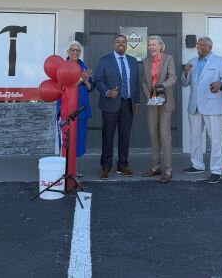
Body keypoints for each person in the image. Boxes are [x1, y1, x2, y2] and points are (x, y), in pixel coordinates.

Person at [181, 36, 222, 184]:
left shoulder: (220, 61)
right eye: (198, 46)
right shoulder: (192, 62)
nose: (199, 48)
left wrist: (220, 83)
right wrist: (185, 72)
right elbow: (184, 83)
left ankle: (216, 170)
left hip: (213, 105)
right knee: (195, 137)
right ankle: (197, 165)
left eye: (202, 46)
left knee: (215, 139)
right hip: (194, 106)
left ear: (210, 47)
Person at [94, 34, 140, 180]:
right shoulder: (104, 60)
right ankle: (105, 166)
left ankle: (122, 165)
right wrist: (107, 92)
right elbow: (98, 79)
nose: (121, 44)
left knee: (125, 136)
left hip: (128, 104)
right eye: (118, 42)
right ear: (114, 44)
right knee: (108, 136)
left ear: (127, 44)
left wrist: (136, 101)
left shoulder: (132, 61)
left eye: (123, 42)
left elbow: (136, 83)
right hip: (110, 104)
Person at [140, 36, 177, 184]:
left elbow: (173, 78)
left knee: (164, 134)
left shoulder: (169, 58)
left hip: (165, 101)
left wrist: (162, 86)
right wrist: (147, 92)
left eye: (154, 45)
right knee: (153, 134)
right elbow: (143, 80)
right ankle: (156, 167)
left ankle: (168, 169)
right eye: (149, 45)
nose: (151, 47)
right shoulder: (146, 61)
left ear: (161, 46)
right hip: (152, 101)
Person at [56, 41, 94, 163]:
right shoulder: (62, 66)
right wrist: (81, 79)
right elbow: (63, 86)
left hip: (81, 111)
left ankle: (75, 169)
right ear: (68, 52)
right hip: (66, 110)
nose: (75, 52)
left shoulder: (84, 67)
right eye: (72, 50)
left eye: (77, 50)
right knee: (66, 141)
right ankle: (65, 168)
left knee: (78, 141)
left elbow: (90, 88)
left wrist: (86, 81)